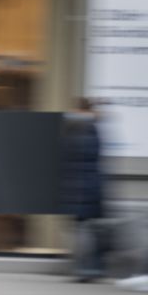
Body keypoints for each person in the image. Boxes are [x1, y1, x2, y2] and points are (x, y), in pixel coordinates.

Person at [62, 98, 109, 282]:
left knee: (82, 230)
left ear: (79, 109)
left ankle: (84, 269)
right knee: (91, 230)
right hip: (91, 186)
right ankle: (93, 268)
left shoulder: (77, 127)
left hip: (80, 188)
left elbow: (73, 160)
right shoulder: (94, 127)